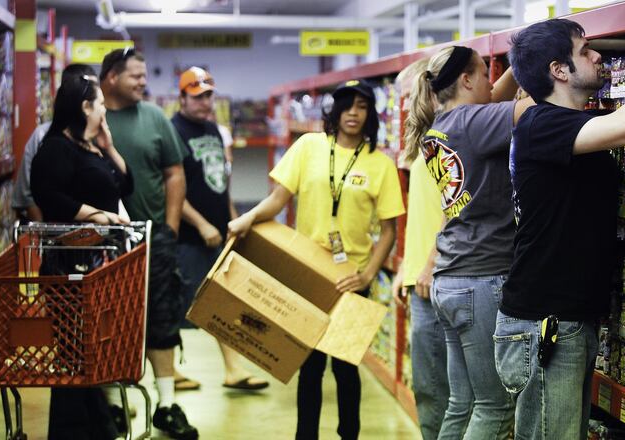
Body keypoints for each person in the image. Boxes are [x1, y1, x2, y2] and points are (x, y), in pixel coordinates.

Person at [495, 18, 625, 439]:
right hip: (545, 323)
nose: (598, 56)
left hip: (567, 320)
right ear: (559, 70)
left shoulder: (571, 126)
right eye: (585, 50)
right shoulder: (541, 124)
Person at [228, 79, 405, 440]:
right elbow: (279, 200)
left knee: (345, 367)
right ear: (334, 110)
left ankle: (348, 436)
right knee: (309, 368)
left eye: (362, 106)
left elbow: (389, 231)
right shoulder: (308, 146)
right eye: (346, 105)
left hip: (349, 280)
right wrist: (246, 219)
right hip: (306, 273)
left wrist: (368, 275)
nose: (353, 113)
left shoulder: (380, 165)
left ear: (371, 114)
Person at [404, 46, 534, 440]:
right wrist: (543, 64)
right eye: (483, 74)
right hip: (482, 277)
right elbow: (531, 111)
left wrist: (516, 64)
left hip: (452, 278)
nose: (490, 84)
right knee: (495, 409)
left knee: (463, 404)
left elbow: (493, 98)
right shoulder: (475, 121)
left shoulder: (441, 125)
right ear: (465, 80)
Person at [99, 47, 198, 440]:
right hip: (102, 243)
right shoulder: (91, 117)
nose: (144, 82)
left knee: (162, 318)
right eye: (135, 76)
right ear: (111, 78)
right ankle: (112, 406)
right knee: (106, 321)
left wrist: (170, 227)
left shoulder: (154, 117)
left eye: (144, 75)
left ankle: (167, 404)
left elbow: (175, 173)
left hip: (153, 237)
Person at [30, 74, 132, 440]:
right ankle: (75, 431)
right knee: (75, 352)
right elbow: (48, 195)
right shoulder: (56, 147)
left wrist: (109, 146)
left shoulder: (93, 147)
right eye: (100, 103)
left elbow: (125, 184)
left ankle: (97, 428)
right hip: (69, 266)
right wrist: (97, 215)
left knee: (89, 355)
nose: (105, 109)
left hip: (99, 264)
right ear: (85, 107)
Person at [170, 67, 269, 391]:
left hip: (217, 231)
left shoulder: (214, 130)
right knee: (182, 301)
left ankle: (233, 369)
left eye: (209, 95)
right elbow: (168, 188)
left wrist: (230, 220)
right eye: (197, 96)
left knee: (221, 300)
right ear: (182, 97)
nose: (204, 102)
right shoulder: (173, 131)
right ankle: (168, 371)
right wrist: (200, 225)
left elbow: (219, 183)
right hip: (188, 235)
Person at [390, 57, 449, 440]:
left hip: (443, 277)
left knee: (456, 392)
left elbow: (459, 208)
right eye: (401, 100)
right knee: (427, 388)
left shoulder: (453, 136)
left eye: (411, 96)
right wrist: (405, 267)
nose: (406, 107)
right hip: (420, 279)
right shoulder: (418, 141)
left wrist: (429, 263)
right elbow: (422, 213)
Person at [12, 63, 100, 222]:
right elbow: (28, 194)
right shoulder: (43, 136)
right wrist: (43, 237)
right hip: (54, 233)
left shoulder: (101, 137)